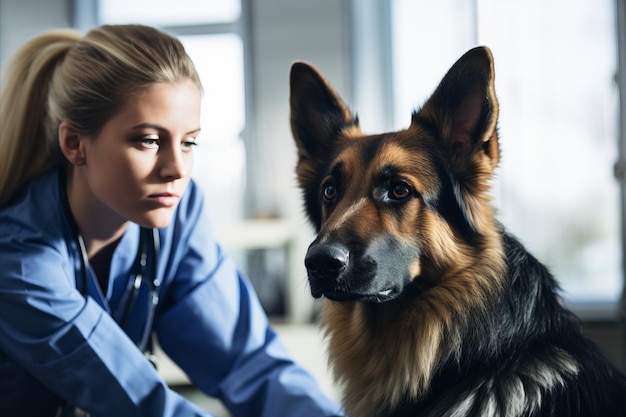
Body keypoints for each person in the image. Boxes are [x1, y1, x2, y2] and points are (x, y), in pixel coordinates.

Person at [0, 24, 342, 417]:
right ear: (74, 143)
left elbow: (248, 364)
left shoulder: (177, 216)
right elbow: (141, 402)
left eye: (189, 142)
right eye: (148, 140)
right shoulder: (18, 259)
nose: (177, 169)